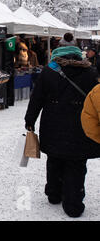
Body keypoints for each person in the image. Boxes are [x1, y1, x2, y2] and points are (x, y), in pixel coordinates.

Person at [24, 45, 100, 217]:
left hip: (53, 123)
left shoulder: (48, 72)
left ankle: (54, 193)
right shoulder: (90, 72)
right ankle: (73, 204)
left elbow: (37, 98)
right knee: (76, 164)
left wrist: (30, 120)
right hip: (81, 126)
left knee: (54, 159)